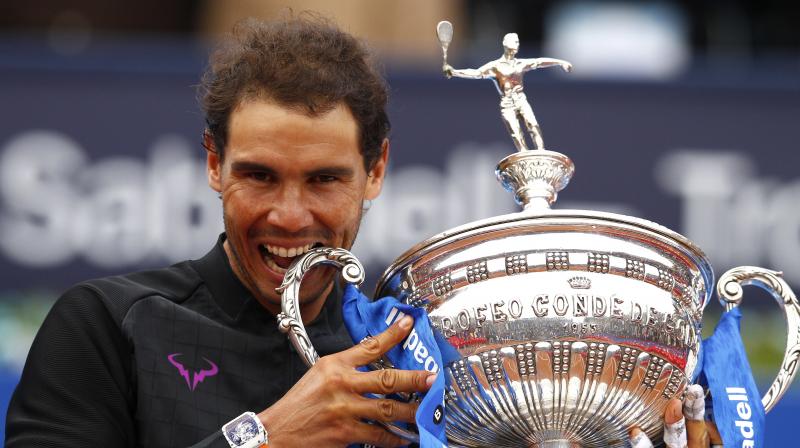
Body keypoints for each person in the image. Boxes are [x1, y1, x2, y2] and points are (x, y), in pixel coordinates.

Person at [6, 14, 713, 448]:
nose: (289, 215)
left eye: (324, 180)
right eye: (258, 176)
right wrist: (265, 439)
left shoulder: (432, 366)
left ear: (375, 172)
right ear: (213, 164)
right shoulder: (109, 327)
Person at [443, 33, 572, 152]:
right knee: (515, 132)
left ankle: (541, 152)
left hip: (521, 99)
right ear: (505, 43)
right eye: (515, 42)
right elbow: (477, 73)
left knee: (533, 124)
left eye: (518, 42)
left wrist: (560, 62)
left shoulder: (520, 64)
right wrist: (454, 72)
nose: (517, 44)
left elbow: (538, 62)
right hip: (507, 103)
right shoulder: (495, 66)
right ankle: (524, 155)